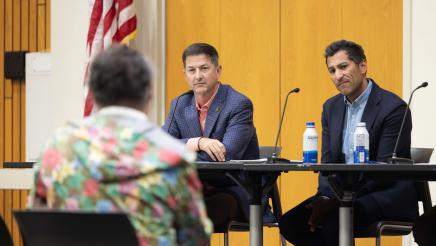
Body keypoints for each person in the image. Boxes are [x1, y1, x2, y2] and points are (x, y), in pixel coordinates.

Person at [28, 45, 212, 245]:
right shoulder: (172, 157)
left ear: (92, 93)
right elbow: (195, 239)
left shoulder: (58, 147)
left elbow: (37, 223)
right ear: (149, 93)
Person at [279, 40, 419, 246]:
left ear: (363, 66)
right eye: (332, 70)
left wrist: (338, 202)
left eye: (343, 67)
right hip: (340, 197)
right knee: (291, 223)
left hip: (382, 194)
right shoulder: (331, 107)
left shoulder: (393, 108)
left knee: (334, 220)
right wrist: (326, 199)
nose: (337, 75)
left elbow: (385, 171)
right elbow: (327, 165)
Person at [163, 43, 272, 230]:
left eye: (204, 68)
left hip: (234, 190)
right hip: (194, 191)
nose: (198, 76)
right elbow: (161, 146)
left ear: (218, 70)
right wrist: (197, 142)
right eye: (192, 70)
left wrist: (178, 152)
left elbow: (225, 155)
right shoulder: (179, 104)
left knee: (188, 217)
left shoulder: (238, 104)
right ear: (185, 75)